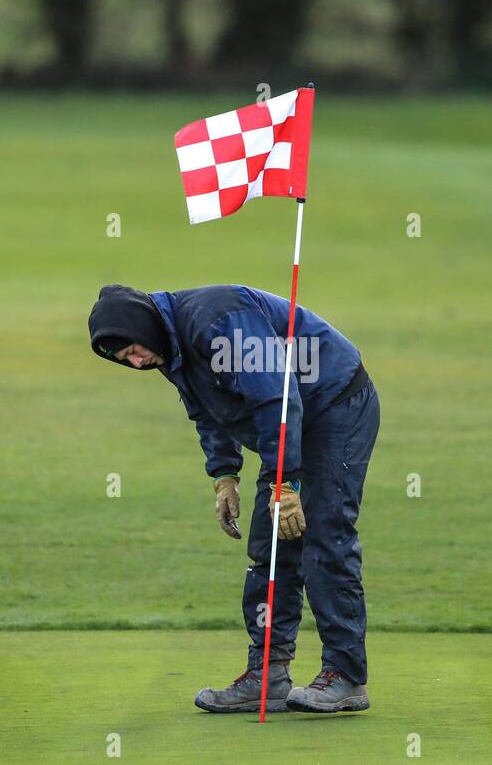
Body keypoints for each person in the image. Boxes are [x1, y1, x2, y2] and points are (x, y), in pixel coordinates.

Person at [87, 284, 380, 713]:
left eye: (133, 350)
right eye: (123, 361)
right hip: (286, 423)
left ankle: (346, 675)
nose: (136, 362)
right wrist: (224, 474)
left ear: (143, 327)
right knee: (271, 548)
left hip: (333, 405)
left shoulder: (217, 322)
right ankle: (269, 674)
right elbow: (206, 409)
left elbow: (277, 397)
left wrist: (284, 483)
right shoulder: (167, 345)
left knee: (322, 539)